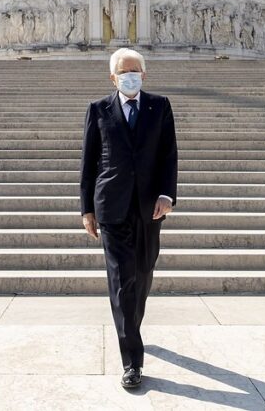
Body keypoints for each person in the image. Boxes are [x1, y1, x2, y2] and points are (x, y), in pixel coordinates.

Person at [80, 47, 178, 390]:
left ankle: (131, 328)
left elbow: (169, 154)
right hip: (112, 208)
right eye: (124, 71)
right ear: (113, 77)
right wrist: (86, 209)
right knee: (122, 282)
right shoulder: (98, 109)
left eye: (135, 70)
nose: (130, 75)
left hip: (150, 206)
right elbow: (89, 163)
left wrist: (167, 195)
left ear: (144, 74)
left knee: (144, 273)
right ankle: (132, 361)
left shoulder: (160, 106)